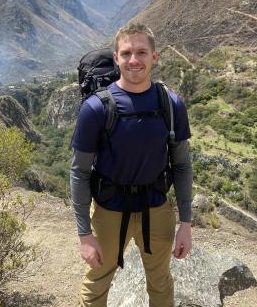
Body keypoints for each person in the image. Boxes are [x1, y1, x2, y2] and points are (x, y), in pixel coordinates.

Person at [70, 22, 193, 307]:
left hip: (157, 209)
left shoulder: (171, 104)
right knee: (98, 283)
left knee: (161, 282)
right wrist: (85, 235)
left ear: (154, 56)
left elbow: (183, 165)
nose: (134, 60)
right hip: (110, 211)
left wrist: (185, 224)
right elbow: (79, 172)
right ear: (116, 58)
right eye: (126, 53)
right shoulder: (96, 108)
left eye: (141, 52)